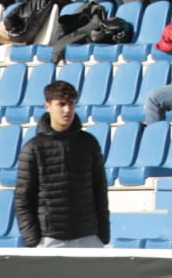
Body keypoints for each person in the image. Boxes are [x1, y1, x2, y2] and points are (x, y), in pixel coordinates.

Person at [14, 79, 109, 249]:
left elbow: (99, 190)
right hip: (50, 239)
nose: (67, 110)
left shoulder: (89, 143)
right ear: (48, 106)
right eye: (61, 104)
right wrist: (34, 240)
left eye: (71, 104)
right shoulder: (33, 148)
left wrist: (103, 234)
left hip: (89, 236)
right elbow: (23, 199)